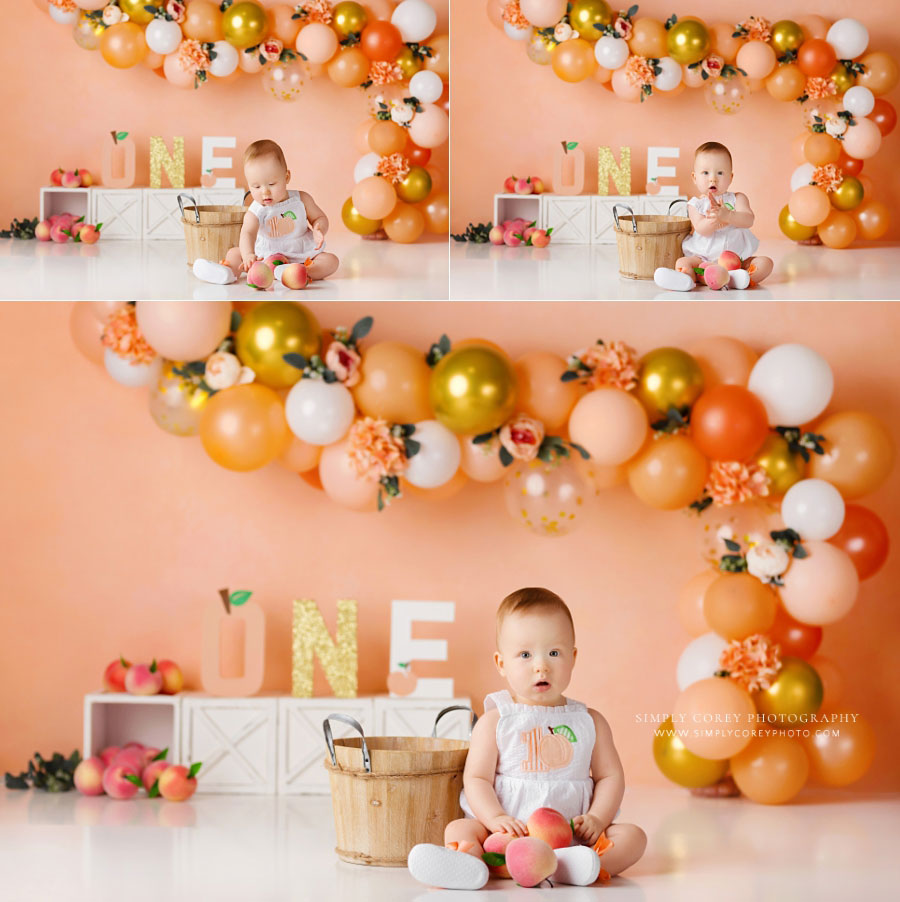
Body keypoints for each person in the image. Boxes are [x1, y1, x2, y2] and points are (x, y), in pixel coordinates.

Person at [408, 587, 647, 890]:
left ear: (573, 658)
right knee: (460, 827)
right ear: (501, 663)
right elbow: (477, 778)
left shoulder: (590, 722)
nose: (541, 665)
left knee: (633, 837)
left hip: (572, 835)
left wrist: (598, 819)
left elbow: (611, 776)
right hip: (508, 834)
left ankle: (573, 866)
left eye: (554, 653)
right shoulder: (497, 720)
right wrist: (495, 818)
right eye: (525, 654)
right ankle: (469, 865)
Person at [193, 139, 339, 285]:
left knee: (331, 261)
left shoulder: (301, 200)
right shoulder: (256, 210)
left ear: (286, 177)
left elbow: (319, 217)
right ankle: (226, 272)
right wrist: (248, 254)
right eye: (256, 187)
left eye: (271, 184)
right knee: (234, 253)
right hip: (264, 256)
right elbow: (247, 233)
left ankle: (299, 273)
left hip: (299, 254)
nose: (265, 192)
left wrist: (318, 229)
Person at [655, 141, 773, 292]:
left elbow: (749, 220)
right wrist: (714, 219)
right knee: (683, 262)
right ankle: (686, 280)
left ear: (730, 177)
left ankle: (735, 279)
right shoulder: (695, 204)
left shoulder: (738, 199)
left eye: (720, 173)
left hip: (736, 260)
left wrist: (728, 215)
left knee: (765, 263)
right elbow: (701, 229)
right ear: (694, 177)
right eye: (705, 173)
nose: (713, 179)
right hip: (703, 260)